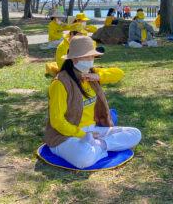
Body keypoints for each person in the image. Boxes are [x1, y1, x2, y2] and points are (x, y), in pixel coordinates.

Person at [44, 36, 141, 169]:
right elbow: (57, 121)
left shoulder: (91, 74)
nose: (90, 61)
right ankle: (100, 147)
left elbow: (119, 73)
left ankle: (101, 145)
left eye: (92, 57)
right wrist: (83, 135)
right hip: (67, 136)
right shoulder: (60, 83)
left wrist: (99, 76)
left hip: (93, 131)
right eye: (86, 57)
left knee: (135, 134)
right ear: (74, 59)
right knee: (84, 157)